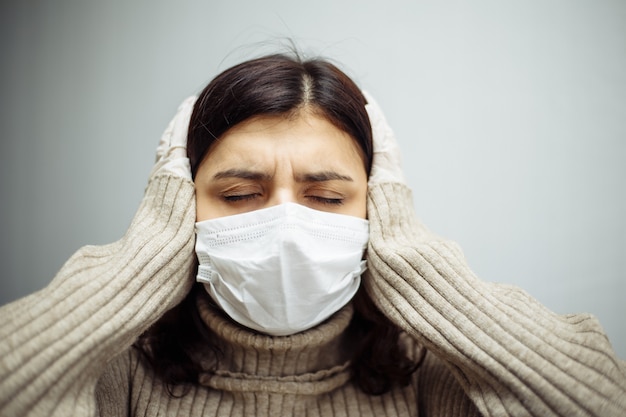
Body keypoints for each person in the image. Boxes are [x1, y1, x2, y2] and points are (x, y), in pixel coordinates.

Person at [0, 54, 624, 417]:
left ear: (377, 207)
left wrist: (411, 259)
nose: (287, 226)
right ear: (182, 205)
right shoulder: (117, 371)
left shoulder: (428, 371)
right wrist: (137, 263)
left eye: (326, 197)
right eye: (239, 195)